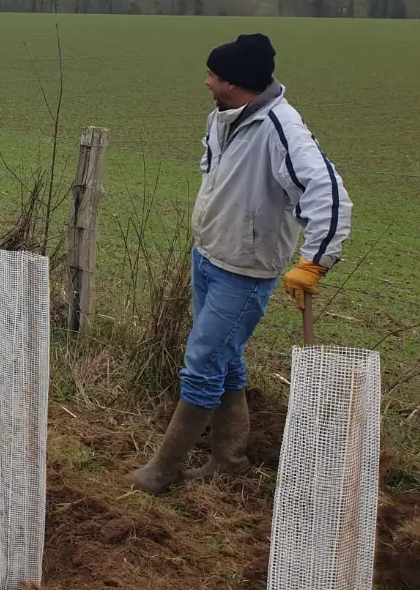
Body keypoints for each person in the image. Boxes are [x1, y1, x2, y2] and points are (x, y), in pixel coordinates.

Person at [128, 33, 351, 494]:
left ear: (234, 83)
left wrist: (313, 262)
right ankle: (228, 458)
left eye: (213, 74)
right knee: (223, 357)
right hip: (208, 255)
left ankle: (163, 470)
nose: (206, 79)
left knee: (203, 360)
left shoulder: (282, 129)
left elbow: (328, 193)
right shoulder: (223, 117)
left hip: (246, 271)